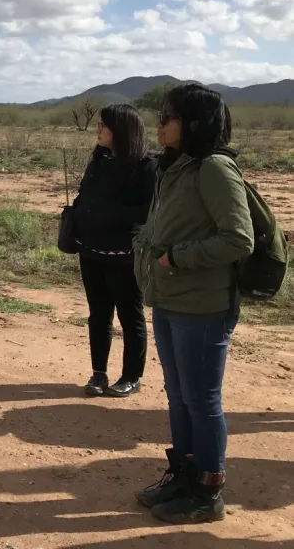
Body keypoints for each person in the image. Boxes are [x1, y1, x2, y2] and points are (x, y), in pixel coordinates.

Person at [133, 83, 252, 524]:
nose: (159, 124)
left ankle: (208, 491)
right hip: (168, 297)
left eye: (168, 117)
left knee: (202, 400)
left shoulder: (215, 169)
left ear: (194, 123)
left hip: (202, 305)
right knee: (179, 396)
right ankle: (183, 476)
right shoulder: (178, 167)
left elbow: (238, 238)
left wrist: (177, 258)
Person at [72, 104, 156, 398]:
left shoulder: (147, 166)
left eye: (103, 125)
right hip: (91, 250)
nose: (98, 130)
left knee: (130, 316)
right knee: (98, 314)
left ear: (120, 130)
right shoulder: (99, 160)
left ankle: (132, 376)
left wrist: (107, 213)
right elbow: (85, 195)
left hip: (125, 254)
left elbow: (148, 210)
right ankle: (98, 373)